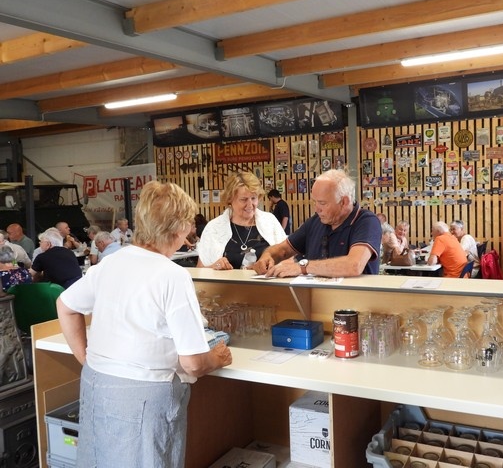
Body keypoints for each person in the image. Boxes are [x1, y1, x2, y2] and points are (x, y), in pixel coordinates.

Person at [56, 181, 232, 468]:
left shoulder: (111, 263)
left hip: (97, 383)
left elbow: (65, 306)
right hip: (144, 395)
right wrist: (217, 357)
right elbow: (193, 364)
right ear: (180, 228)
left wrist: (87, 359)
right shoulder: (172, 275)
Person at [253, 169, 382, 277]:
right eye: (315, 202)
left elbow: (354, 265)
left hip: (354, 298)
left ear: (344, 202)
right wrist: (267, 256)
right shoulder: (316, 221)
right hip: (317, 297)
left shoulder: (367, 221)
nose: (317, 209)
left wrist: (303, 267)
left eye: (322, 203)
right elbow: (283, 250)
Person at [197, 172, 286, 270]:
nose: (250, 205)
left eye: (253, 198)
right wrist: (214, 267)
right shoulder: (214, 228)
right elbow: (200, 270)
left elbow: (288, 259)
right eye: (244, 199)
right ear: (230, 199)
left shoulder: (270, 222)